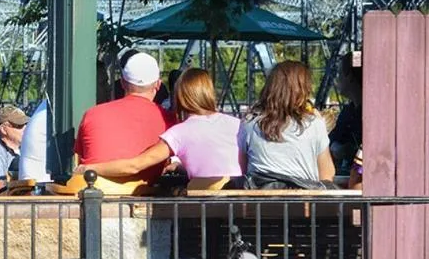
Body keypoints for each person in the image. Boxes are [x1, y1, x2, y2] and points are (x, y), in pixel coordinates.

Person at [75, 68, 241, 181]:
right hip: (240, 205)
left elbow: (134, 166)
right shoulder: (237, 125)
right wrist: (180, 167)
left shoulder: (180, 132)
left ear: (179, 97)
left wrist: (88, 169)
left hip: (204, 211)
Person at [75, 52, 173, 183]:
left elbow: (79, 158)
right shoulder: (169, 121)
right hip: (147, 193)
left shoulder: (92, 115)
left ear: (122, 83)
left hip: (96, 192)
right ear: (158, 85)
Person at [238, 61, 334, 186]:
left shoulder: (250, 123)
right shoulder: (314, 124)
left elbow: (242, 169)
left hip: (261, 195)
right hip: (303, 197)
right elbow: (327, 174)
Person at [329, 54, 362, 173]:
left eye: (339, 73)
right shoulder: (348, 112)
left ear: (350, 76)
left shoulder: (372, 115)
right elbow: (331, 141)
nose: (337, 79)